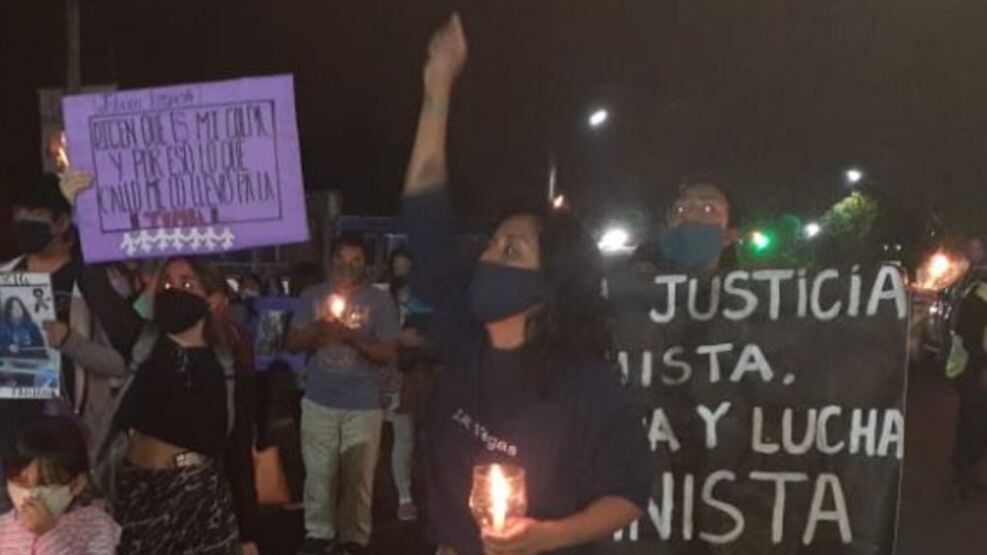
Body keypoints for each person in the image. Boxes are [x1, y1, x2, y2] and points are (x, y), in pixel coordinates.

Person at [403, 15, 651, 555]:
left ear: (550, 284)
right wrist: (437, 92)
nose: (490, 256)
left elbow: (629, 494)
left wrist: (548, 537)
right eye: (491, 244)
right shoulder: (462, 337)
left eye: (511, 250)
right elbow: (424, 206)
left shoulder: (587, 385)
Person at [95, 256, 259, 555]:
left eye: (186, 283)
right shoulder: (141, 344)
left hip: (200, 496)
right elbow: (96, 289)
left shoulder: (228, 370)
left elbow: (239, 454)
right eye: (167, 283)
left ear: (214, 300)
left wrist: (248, 536)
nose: (173, 291)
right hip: (139, 492)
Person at [0, 174, 132, 513]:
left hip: (79, 437)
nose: (23, 226)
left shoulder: (97, 283)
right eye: (18, 218)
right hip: (14, 438)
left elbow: (124, 362)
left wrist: (69, 340)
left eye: (34, 217)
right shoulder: (6, 277)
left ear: (62, 221)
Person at [286, 236, 400, 555]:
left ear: (365, 265)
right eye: (340, 259)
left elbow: (388, 353)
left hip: (363, 405)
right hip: (319, 399)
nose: (346, 267)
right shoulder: (312, 296)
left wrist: (353, 340)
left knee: (357, 477)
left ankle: (354, 538)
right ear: (330, 260)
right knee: (319, 473)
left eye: (355, 261)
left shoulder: (379, 302)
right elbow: (293, 343)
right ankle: (319, 533)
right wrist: (319, 329)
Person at [0, 416, 120, 554]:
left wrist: (48, 534)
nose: (29, 494)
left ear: (77, 484)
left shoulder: (95, 526)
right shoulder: (2, 529)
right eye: (20, 480)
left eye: (45, 483)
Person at [381, 248, 422, 521]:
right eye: (399, 269)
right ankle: (404, 497)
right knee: (403, 437)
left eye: (408, 269)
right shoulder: (382, 300)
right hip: (394, 374)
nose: (403, 274)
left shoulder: (426, 298)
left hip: (423, 373)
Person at [631, 173, 740, 274]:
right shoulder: (629, 285)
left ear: (731, 234)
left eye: (708, 209)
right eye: (680, 209)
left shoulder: (749, 290)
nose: (689, 216)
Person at [946, 237, 987, 500]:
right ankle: (964, 473)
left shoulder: (970, 279)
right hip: (974, 364)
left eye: (976, 247)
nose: (971, 252)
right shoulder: (977, 282)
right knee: (975, 420)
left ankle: (962, 466)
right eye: (969, 247)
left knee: (971, 418)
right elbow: (969, 327)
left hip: (968, 363)